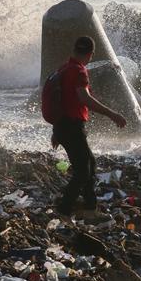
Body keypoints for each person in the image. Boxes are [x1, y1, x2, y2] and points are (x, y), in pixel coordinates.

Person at [51, 36, 127, 224]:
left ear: (74, 50)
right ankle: (63, 210)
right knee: (82, 171)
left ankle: (90, 210)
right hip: (71, 126)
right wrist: (112, 114)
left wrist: (56, 130)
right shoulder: (78, 72)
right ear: (91, 54)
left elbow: (60, 101)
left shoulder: (64, 69)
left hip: (63, 126)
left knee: (89, 165)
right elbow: (84, 98)